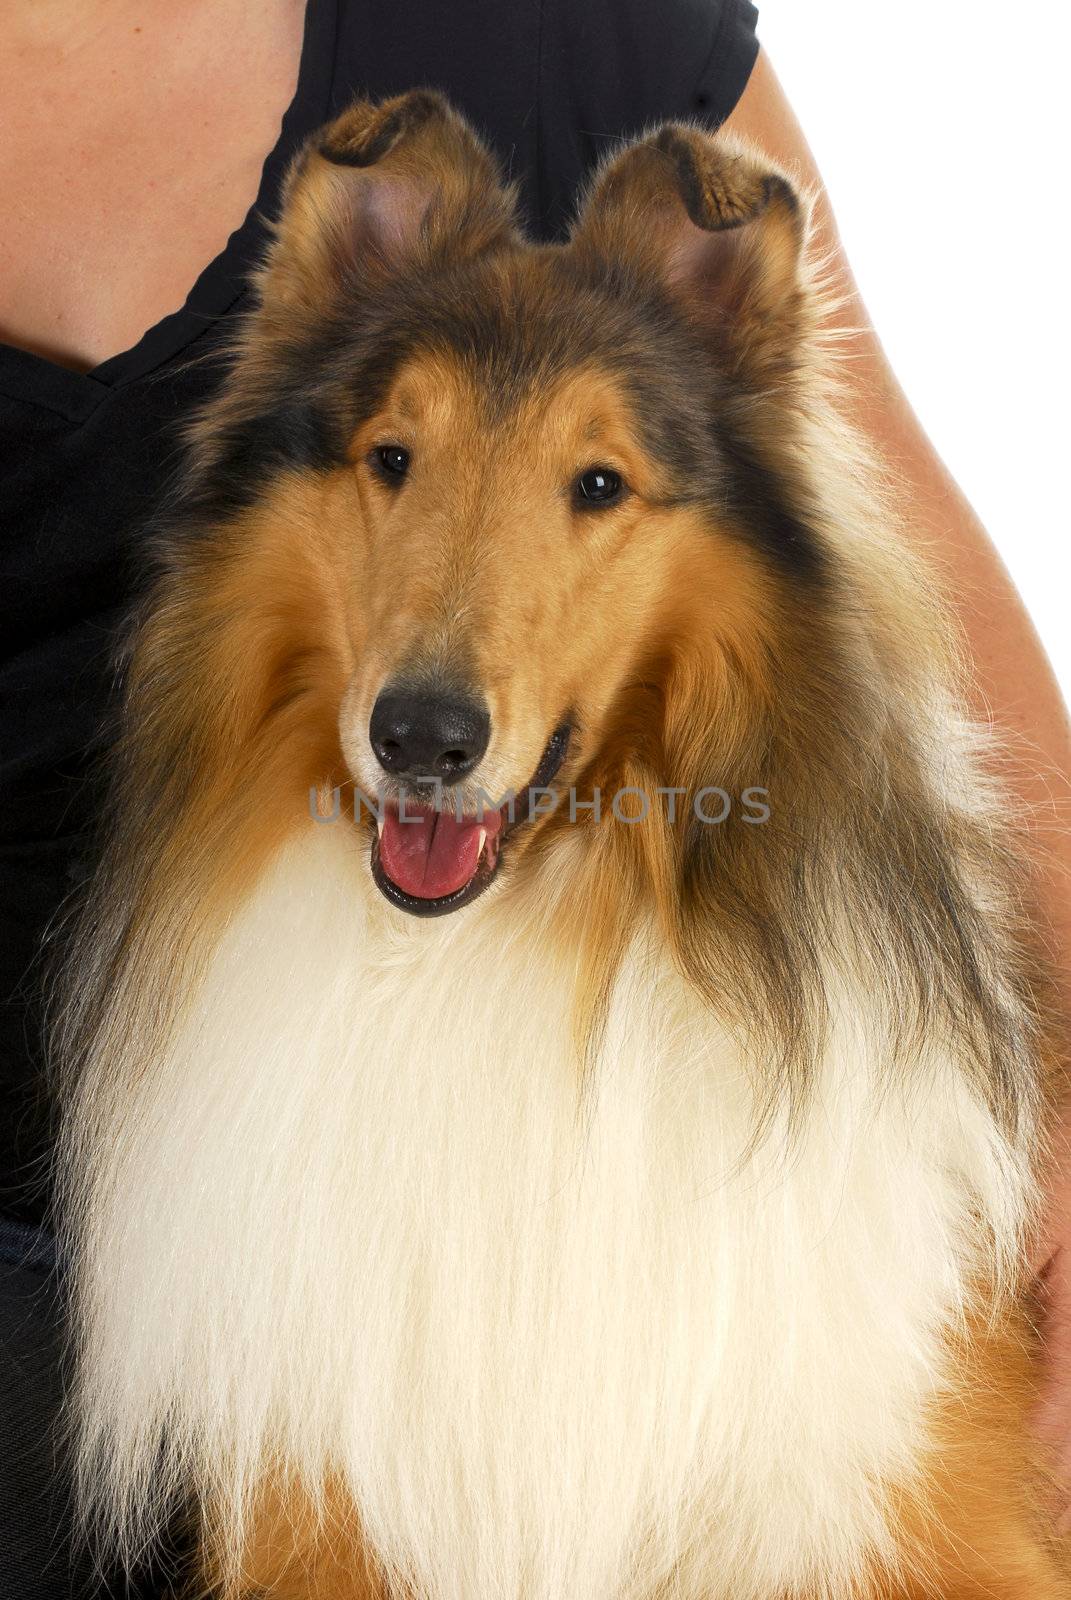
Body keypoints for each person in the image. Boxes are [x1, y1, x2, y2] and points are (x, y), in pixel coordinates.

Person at [2, 2, 1069, 1593]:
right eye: (392, 463)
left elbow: (907, 576)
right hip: (123, 1213)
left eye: (591, 487)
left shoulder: (569, 23)